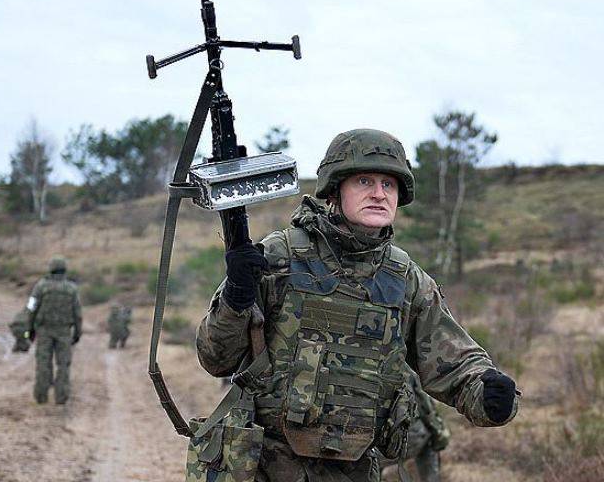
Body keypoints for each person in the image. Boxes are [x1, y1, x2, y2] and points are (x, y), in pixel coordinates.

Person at [195, 129, 519, 481]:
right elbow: (216, 358)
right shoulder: (279, 256)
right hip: (264, 466)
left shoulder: (405, 279)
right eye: (365, 181)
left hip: (355, 469)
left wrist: (487, 393)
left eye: (389, 185)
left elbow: (453, 363)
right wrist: (236, 298)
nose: (379, 194)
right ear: (335, 190)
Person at [27, 257, 81, 404]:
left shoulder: (40, 287)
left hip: (44, 331)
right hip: (64, 332)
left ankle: (41, 395)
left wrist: (29, 329)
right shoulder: (72, 289)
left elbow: (31, 309)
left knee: (43, 363)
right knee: (63, 365)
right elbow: (78, 313)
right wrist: (77, 333)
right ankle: (61, 396)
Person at [380, 369, 450, 482]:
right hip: (408, 437)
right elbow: (424, 405)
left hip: (370, 442)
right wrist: (438, 434)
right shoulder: (405, 367)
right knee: (429, 440)